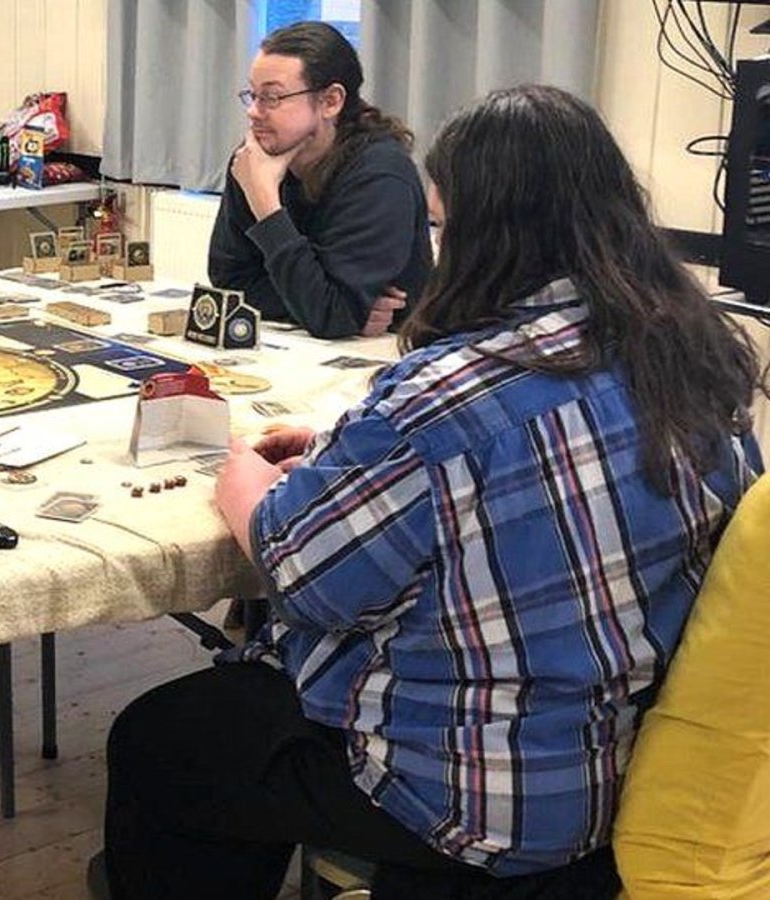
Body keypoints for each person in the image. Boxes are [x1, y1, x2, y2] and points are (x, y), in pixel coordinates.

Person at [101, 85, 766, 899]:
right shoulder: (695, 355)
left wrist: (245, 486)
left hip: (477, 799)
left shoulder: (442, 397)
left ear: (484, 236)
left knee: (163, 738)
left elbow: (306, 579)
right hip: (631, 759)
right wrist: (359, 458)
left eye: (443, 226)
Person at [208, 22, 430, 339]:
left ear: (330, 101)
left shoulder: (380, 176)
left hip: (386, 351)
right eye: (253, 95)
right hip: (311, 344)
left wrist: (267, 207)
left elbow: (331, 315)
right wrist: (326, 307)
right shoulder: (253, 161)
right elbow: (229, 281)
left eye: (272, 97)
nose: (254, 112)